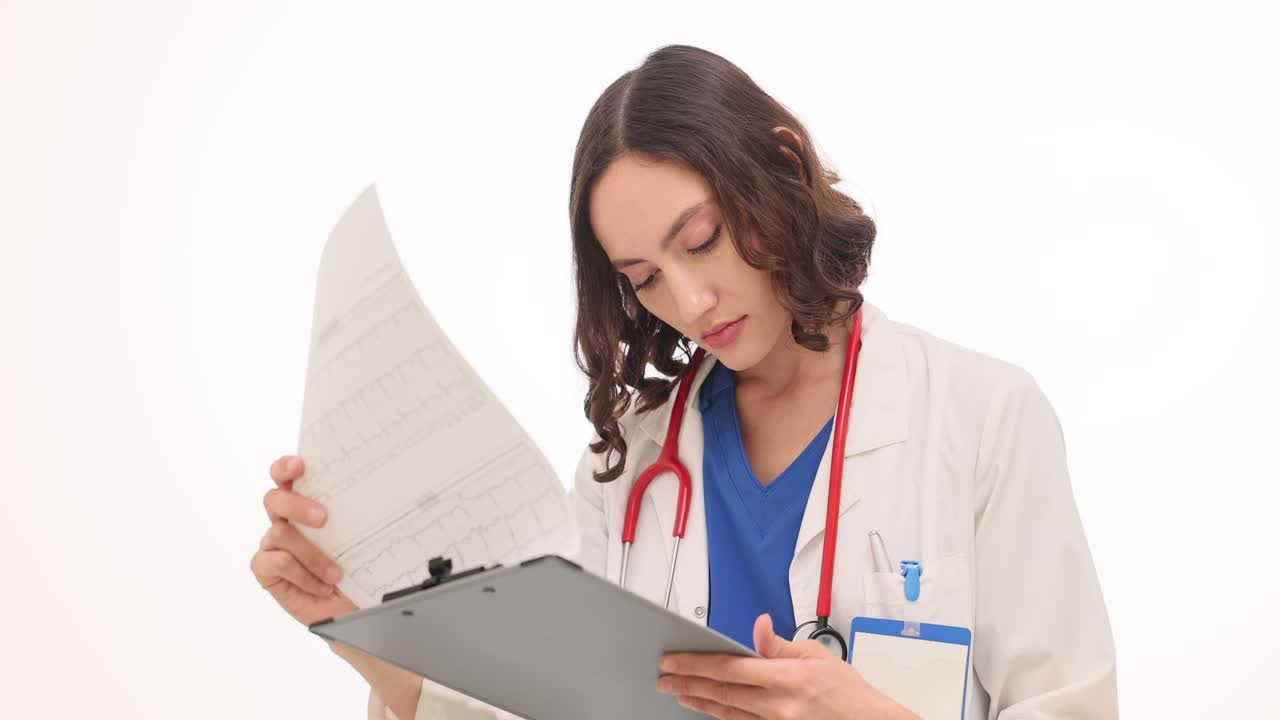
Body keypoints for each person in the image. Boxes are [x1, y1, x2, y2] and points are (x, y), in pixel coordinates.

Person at [250, 44, 1117, 720]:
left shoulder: (982, 418)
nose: (690, 301)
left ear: (781, 166)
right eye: (644, 276)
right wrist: (355, 623)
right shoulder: (626, 470)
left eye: (700, 240)